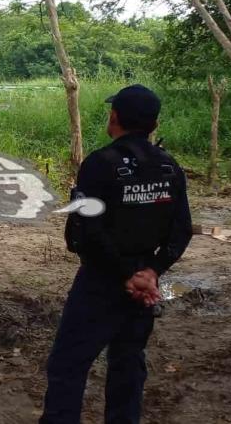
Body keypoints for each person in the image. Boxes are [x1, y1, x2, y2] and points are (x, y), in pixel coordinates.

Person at [40, 84, 193, 424]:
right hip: (142, 284)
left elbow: (87, 231)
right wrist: (151, 271)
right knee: (127, 364)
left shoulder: (100, 164)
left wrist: (126, 274)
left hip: (102, 280)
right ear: (153, 124)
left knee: (68, 364)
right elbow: (181, 230)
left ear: (115, 117)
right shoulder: (170, 167)